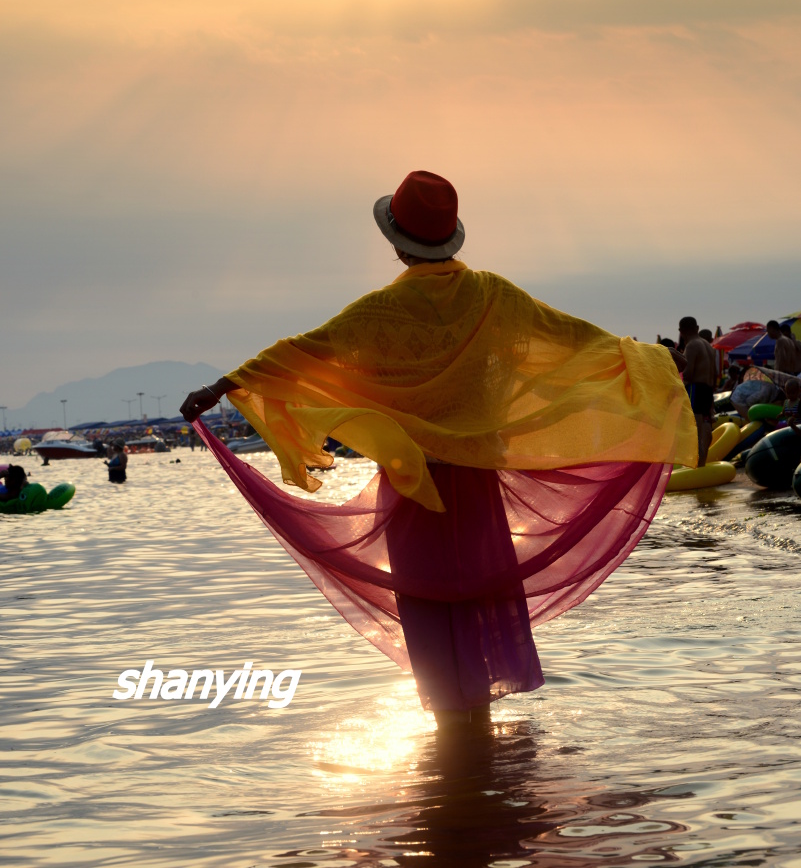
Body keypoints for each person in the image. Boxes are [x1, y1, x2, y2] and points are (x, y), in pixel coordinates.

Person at [181, 171, 696, 730]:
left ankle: (460, 763)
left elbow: (299, 354)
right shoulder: (493, 298)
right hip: (476, 485)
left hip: (412, 487)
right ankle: (484, 759)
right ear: (450, 236)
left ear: (398, 243)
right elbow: (575, 341)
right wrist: (655, 365)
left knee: (429, 609)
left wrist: (221, 386)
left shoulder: (377, 314)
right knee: (477, 601)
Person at [678, 317, 717, 466]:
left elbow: (688, 373)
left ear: (681, 332)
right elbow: (714, 373)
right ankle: (703, 461)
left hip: (695, 387)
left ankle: (696, 464)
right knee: (706, 425)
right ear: (697, 327)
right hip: (707, 388)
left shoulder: (692, 346)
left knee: (695, 428)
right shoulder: (707, 345)